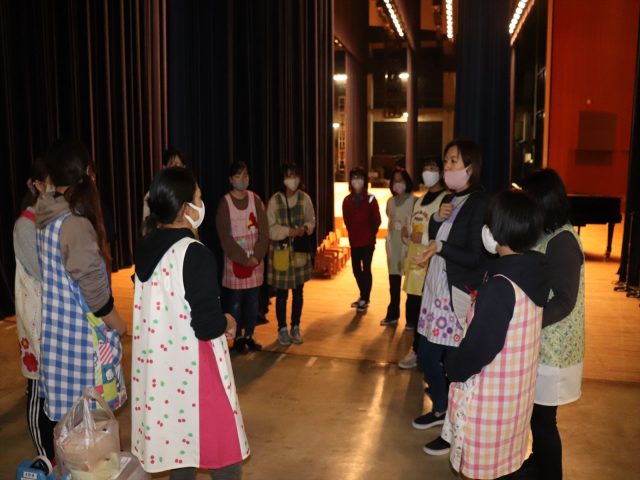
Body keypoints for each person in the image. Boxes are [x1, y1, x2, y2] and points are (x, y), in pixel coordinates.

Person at [132, 167, 249, 479]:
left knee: (179, 448)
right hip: (197, 369)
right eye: (198, 198)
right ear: (185, 208)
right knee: (223, 453)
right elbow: (207, 325)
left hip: (162, 373)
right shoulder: (193, 254)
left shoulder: (145, 247)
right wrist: (227, 320)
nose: (201, 203)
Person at [440, 189, 548, 479]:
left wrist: (451, 365)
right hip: (514, 400)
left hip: (488, 407)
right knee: (505, 466)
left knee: (484, 470)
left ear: (497, 230)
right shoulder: (534, 271)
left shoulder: (501, 286)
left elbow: (478, 350)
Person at [36, 139, 127, 424]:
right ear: (87, 172)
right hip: (83, 347)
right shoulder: (73, 224)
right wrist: (119, 325)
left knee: (72, 431)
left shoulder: (46, 217)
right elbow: (96, 295)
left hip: (58, 339)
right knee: (92, 434)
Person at [411, 139, 490, 455]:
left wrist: (442, 247)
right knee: (427, 355)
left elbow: (476, 256)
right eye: (446, 160)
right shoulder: (449, 198)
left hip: (456, 293)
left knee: (454, 364)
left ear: (470, 166)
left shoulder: (479, 202)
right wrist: (436, 220)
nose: (447, 167)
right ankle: (441, 408)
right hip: (435, 289)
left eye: (454, 161)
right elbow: (436, 237)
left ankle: (454, 429)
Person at [517, 169, 586, 480]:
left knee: (544, 421)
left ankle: (550, 473)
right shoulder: (546, 233)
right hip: (541, 344)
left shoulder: (563, 242)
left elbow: (565, 300)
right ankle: (538, 463)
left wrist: (528, 322)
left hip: (554, 349)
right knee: (537, 416)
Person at [14, 158, 57, 462]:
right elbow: (43, 273)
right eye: (53, 183)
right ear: (39, 185)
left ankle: (60, 452)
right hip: (36, 318)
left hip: (55, 313)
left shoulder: (55, 219)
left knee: (56, 385)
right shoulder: (26, 225)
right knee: (38, 384)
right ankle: (44, 455)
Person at [398, 159, 448, 369]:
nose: (428, 172)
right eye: (426, 168)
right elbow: (414, 227)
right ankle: (418, 350)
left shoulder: (446, 199)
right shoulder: (419, 200)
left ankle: (425, 352)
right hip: (415, 262)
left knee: (428, 311)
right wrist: (407, 233)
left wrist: (425, 238)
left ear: (441, 172)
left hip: (432, 262)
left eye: (433, 168)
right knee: (413, 307)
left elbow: (446, 233)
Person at [216, 161, 269, 354]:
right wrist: (243, 259)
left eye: (245, 175)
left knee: (253, 302)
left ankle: (249, 336)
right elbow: (225, 237)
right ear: (231, 180)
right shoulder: (225, 203)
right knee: (235, 303)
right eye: (238, 176)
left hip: (255, 263)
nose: (242, 179)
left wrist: (256, 256)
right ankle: (237, 337)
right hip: (235, 263)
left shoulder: (256, 200)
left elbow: (264, 231)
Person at [266, 163, 316, 346]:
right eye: (288, 176)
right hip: (281, 252)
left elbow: (312, 220)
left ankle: (295, 326)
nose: (292, 179)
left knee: (298, 292)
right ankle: (282, 328)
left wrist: (306, 228)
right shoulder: (275, 200)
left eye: (295, 175)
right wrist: (289, 231)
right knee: (282, 294)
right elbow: (270, 229)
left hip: (299, 252)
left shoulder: (305, 198)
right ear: (282, 179)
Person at [341, 167, 381, 313]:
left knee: (366, 269)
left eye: (360, 177)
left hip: (368, 241)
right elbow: (346, 220)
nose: (357, 180)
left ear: (365, 180)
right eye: (354, 177)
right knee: (356, 269)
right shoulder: (347, 200)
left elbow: (377, 220)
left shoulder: (371, 199)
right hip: (354, 241)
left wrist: (370, 234)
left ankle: (365, 297)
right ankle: (363, 295)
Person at [381, 167, 415, 326]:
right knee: (393, 283)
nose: (398, 183)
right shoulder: (390, 202)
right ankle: (393, 314)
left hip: (409, 246)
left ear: (407, 181)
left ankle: (411, 318)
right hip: (393, 246)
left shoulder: (414, 201)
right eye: (395, 181)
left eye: (401, 180)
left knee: (410, 284)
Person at [142, 147, 186, 231]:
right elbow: (146, 225)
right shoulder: (154, 193)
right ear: (164, 167)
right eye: (172, 164)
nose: (176, 168)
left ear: (184, 167)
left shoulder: (190, 191)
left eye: (179, 165)